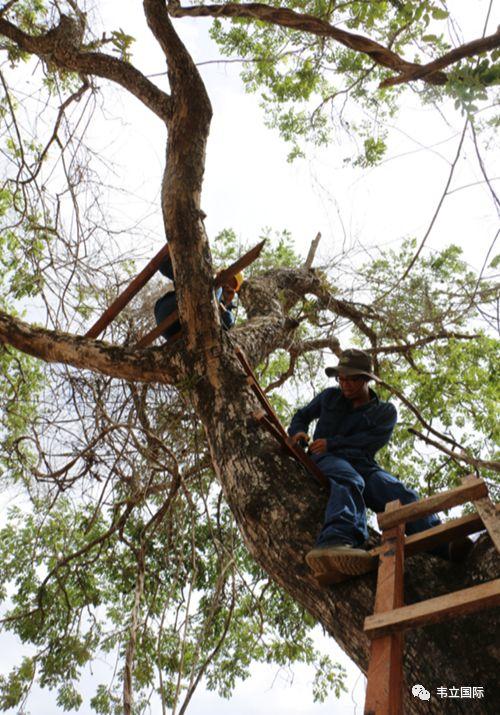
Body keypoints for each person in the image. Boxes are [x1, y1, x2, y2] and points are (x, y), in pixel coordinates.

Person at [288, 348, 469, 580]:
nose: (344, 384)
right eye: (340, 378)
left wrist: (332, 443)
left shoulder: (384, 412)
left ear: (365, 379)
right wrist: (299, 432)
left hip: (363, 463)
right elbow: (301, 415)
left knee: (399, 493)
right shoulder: (329, 397)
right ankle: (337, 540)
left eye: (351, 379)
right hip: (326, 460)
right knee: (350, 480)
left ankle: (444, 544)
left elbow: (368, 442)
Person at [154, 253, 243, 340]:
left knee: (213, 289)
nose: (227, 285)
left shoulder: (227, 313)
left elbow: (228, 330)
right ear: (220, 274)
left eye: (232, 285)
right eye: (227, 279)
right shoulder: (203, 282)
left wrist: (224, 312)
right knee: (205, 283)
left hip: (184, 331)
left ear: (233, 293)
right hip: (168, 311)